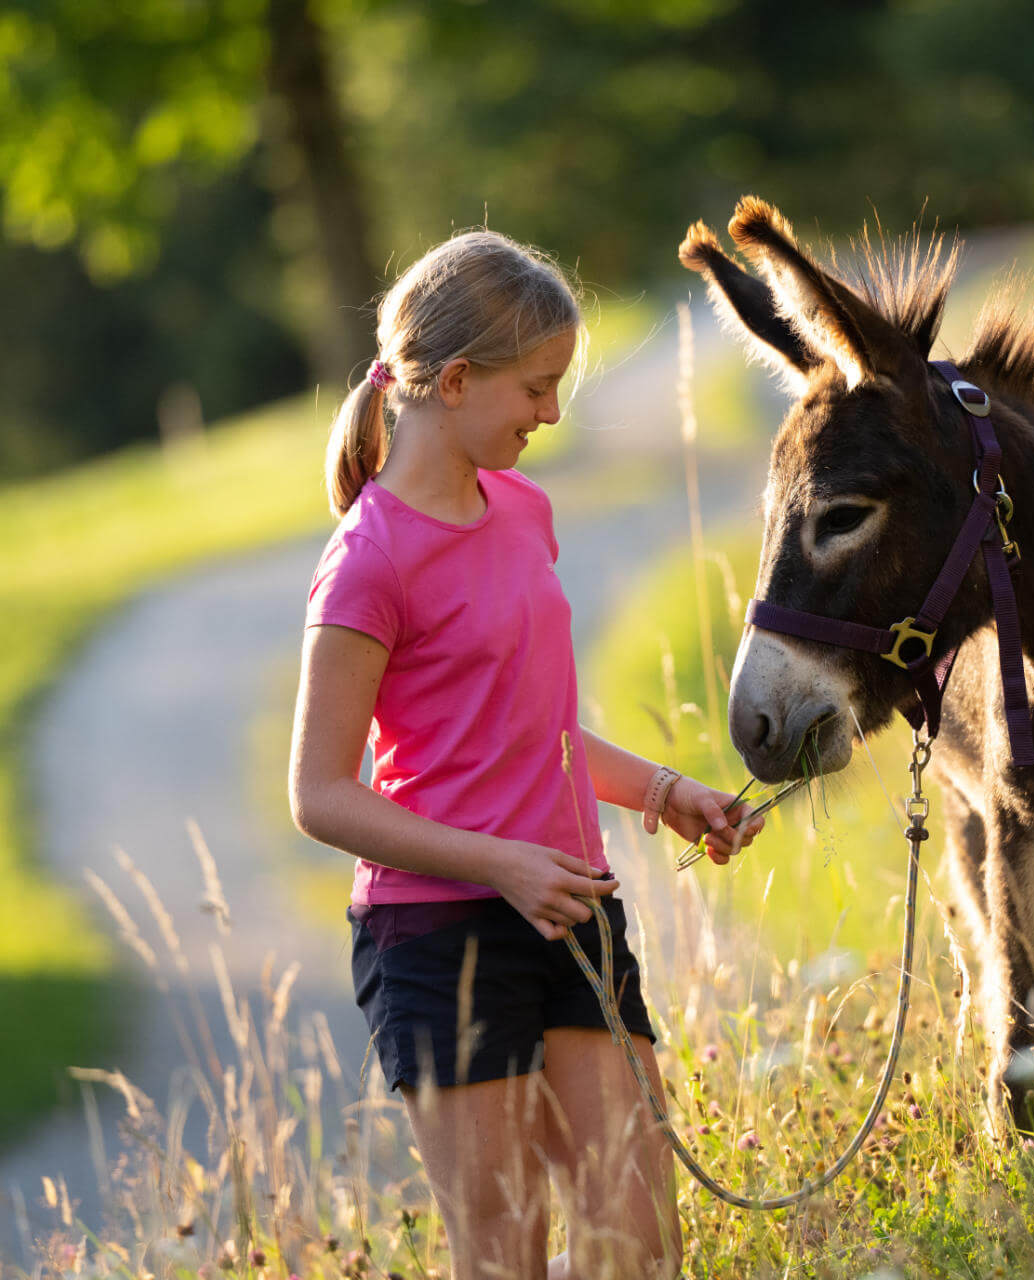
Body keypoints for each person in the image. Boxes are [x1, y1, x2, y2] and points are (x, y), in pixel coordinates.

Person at [287, 229, 759, 1279]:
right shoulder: (367, 562)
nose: (551, 413)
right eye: (536, 388)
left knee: (639, 1240)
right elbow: (318, 795)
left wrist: (665, 789)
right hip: (437, 937)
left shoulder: (525, 511)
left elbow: (532, 729)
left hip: (570, 905)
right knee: (508, 1255)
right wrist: (499, 860)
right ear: (454, 381)